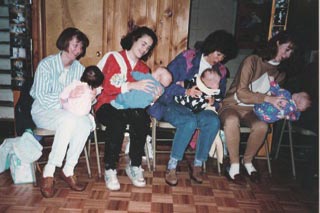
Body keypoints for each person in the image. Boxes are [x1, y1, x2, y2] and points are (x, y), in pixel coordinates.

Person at [219, 31, 311, 185]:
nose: (288, 55)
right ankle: (233, 165)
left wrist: (280, 111)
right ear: (277, 43)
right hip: (232, 105)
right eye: (287, 49)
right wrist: (269, 98)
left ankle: (247, 162)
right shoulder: (252, 61)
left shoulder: (280, 74)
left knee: (262, 126)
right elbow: (241, 93)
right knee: (231, 120)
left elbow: (275, 98)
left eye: (291, 52)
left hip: (253, 110)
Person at [148, 30, 238, 186]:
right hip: (174, 103)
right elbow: (164, 84)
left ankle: (198, 164)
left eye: (223, 57)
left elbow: (220, 95)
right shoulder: (187, 58)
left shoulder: (221, 71)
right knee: (188, 122)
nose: (219, 59)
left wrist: (213, 101)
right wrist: (185, 91)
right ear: (210, 47)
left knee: (213, 121)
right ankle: (172, 166)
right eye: (217, 54)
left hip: (200, 107)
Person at [94, 26, 161, 191]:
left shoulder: (144, 69)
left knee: (142, 118)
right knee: (116, 121)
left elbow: (142, 99)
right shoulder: (113, 58)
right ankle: (110, 168)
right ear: (134, 39)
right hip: (106, 103)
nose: (144, 49)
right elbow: (103, 86)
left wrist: (153, 98)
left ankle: (135, 165)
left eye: (148, 47)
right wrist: (131, 85)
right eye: (143, 43)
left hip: (128, 106)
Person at [30, 27, 90, 198]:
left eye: (81, 48)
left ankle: (68, 169)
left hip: (68, 113)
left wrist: (90, 97)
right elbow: (41, 97)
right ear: (65, 42)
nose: (78, 51)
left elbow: (81, 96)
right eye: (75, 45)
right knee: (69, 120)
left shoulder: (79, 69)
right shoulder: (46, 65)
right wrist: (66, 98)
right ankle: (49, 172)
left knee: (85, 123)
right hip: (43, 111)